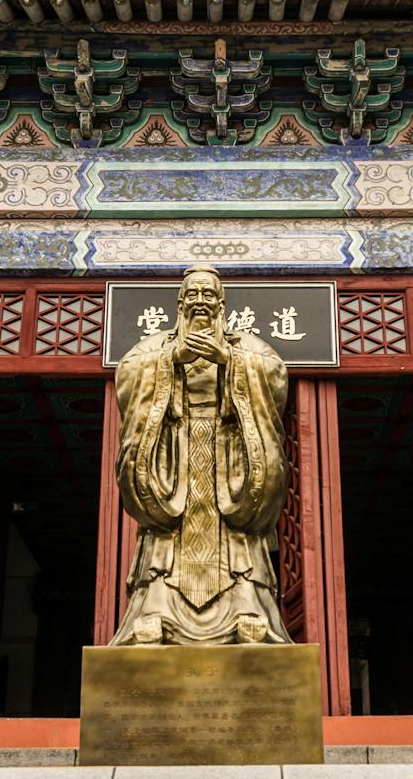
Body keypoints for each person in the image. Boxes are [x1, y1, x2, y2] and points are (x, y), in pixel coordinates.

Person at [111, 264, 291, 645]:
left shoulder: (245, 348)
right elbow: (127, 373)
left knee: (237, 537)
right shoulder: (157, 348)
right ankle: (156, 609)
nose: (200, 302)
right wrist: (169, 361)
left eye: (208, 295)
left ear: (222, 303)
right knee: (165, 540)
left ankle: (247, 607)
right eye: (192, 295)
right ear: (180, 303)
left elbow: (275, 376)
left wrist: (230, 361)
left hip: (229, 456)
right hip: (174, 454)